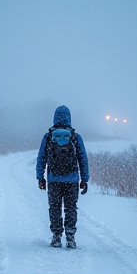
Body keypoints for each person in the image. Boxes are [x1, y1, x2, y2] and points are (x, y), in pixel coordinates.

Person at [36, 105, 89, 249]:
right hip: (71, 181)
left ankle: (57, 237)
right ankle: (70, 237)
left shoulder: (48, 137)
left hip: (54, 180)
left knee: (55, 208)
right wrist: (84, 179)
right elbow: (82, 158)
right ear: (69, 118)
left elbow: (41, 157)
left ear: (54, 117)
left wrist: (40, 177)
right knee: (71, 208)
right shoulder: (75, 137)